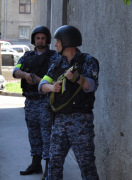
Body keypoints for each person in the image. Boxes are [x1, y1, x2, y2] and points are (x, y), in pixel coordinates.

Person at [39, 25, 100, 180]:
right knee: (54, 164)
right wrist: (52, 87)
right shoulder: (57, 63)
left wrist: (76, 78)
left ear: (67, 42)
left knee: (86, 165)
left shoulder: (87, 61)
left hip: (80, 122)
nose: (55, 45)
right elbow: (41, 86)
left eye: (58, 41)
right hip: (59, 121)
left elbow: (91, 86)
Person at [13, 26, 59, 179]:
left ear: (47, 40)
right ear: (34, 40)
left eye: (43, 38)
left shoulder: (54, 57)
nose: (40, 41)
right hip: (30, 101)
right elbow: (15, 71)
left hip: (44, 101)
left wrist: (38, 80)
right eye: (38, 38)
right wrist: (26, 75)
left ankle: (49, 168)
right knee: (33, 134)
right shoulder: (27, 56)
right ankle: (35, 164)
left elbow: (55, 77)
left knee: (47, 136)